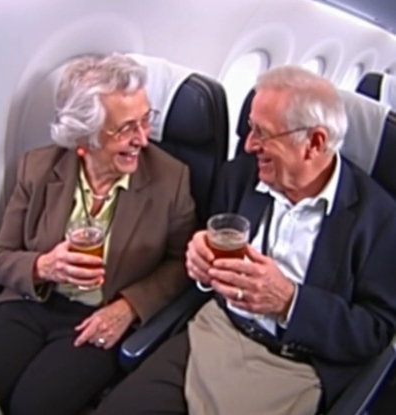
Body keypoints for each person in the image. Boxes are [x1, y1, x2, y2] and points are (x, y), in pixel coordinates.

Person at [93, 65, 396, 415]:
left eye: (262, 133)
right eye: (250, 127)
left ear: (314, 143)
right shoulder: (239, 177)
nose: (249, 144)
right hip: (215, 332)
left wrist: (288, 301)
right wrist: (200, 262)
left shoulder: (380, 219)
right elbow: (208, 253)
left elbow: (374, 331)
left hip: (298, 364)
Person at [0, 53, 196, 415]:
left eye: (145, 121)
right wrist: (42, 266)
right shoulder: (37, 168)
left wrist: (129, 306)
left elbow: (183, 263)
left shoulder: (171, 179)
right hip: (30, 303)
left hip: (97, 317)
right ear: (84, 135)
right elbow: (0, 256)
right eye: (125, 129)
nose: (143, 139)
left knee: (31, 407)